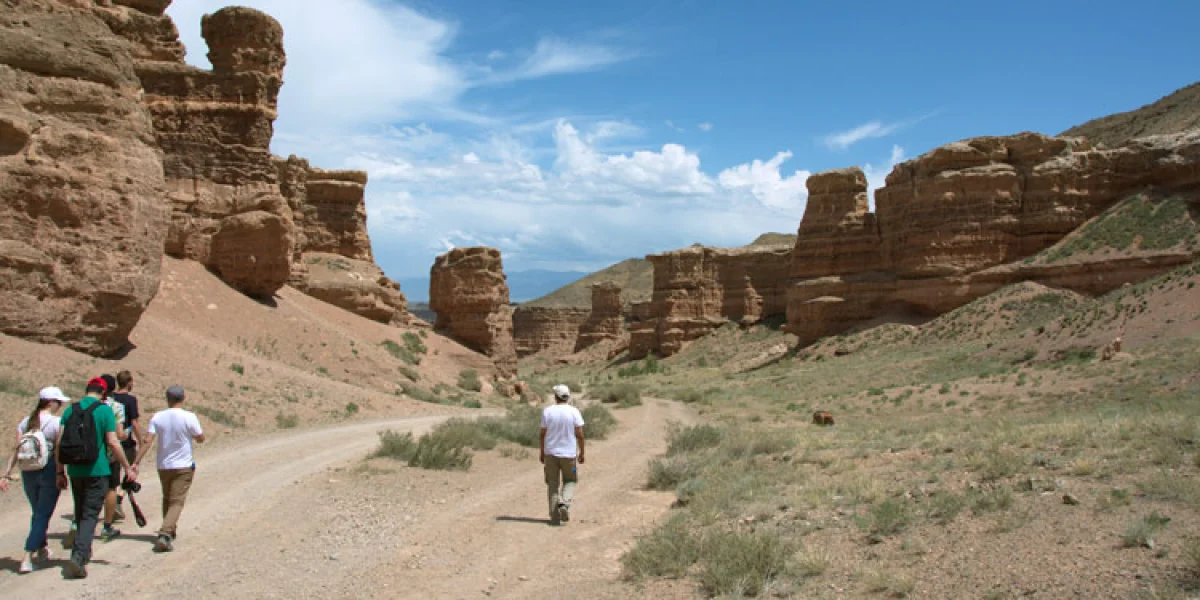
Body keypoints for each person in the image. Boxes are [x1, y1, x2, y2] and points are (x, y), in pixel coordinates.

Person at [56, 377, 138, 579]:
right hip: (97, 469)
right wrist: (127, 467)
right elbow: (113, 441)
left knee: (80, 509)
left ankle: (82, 549)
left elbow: (58, 443)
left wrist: (60, 472)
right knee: (90, 514)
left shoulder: (70, 410)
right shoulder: (104, 410)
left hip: (75, 470)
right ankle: (79, 556)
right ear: (103, 393)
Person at [1, 387, 69, 573]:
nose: (60, 405)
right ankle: (27, 556)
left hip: (27, 470)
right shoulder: (56, 422)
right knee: (43, 513)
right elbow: (58, 452)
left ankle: (41, 547)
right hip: (47, 470)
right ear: (50, 403)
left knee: (37, 511)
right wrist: (60, 473)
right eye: (59, 402)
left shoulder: (25, 422)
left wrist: (6, 474)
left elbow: (16, 449)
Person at [134, 385, 204, 552]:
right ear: (183, 398)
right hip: (183, 464)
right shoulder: (189, 417)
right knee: (177, 501)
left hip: (163, 464)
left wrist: (136, 461)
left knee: (167, 498)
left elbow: (148, 440)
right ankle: (165, 533)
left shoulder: (158, 417)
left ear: (167, 398)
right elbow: (200, 438)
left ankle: (170, 530)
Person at [539, 384, 585, 525]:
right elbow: (580, 434)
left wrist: (542, 452)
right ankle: (564, 503)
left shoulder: (547, 412)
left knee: (552, 484)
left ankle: (554, 516)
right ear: (568, 397)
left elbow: (542, 434)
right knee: (571, 480)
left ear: (555, 397)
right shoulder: (574, 411)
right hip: (569, 455)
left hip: (551, 454)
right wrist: (582, 452)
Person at [111, 370, 144, 522]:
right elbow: (134, 423)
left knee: (113, 474)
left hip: (111, 442)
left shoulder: (111, 398)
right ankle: (118, 498)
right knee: (131, 471)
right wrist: (141, 440)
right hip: (126, 442)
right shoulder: (130, 400)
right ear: (129, 382)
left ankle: (112, 502)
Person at [98, 374, 128, 540]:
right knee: (111, 488)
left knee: (86, 490)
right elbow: (119, 434)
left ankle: (77, 523)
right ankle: (107, 526)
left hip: (87, 455)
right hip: (109, 455)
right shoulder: (116, 407)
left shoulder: (83, 405)